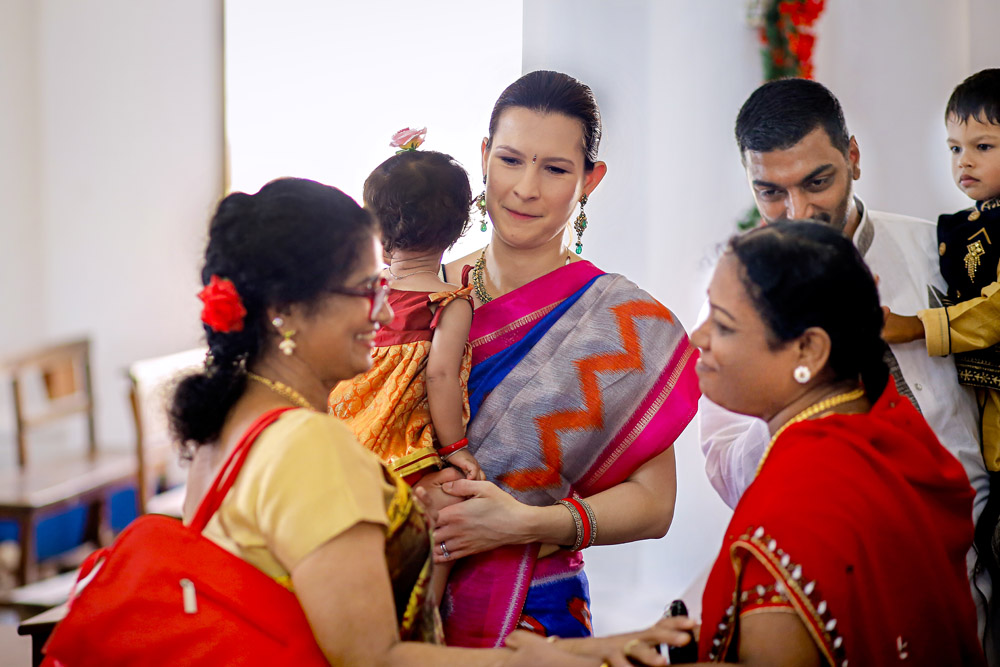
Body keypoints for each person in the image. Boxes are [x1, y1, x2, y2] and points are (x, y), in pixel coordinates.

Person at [172, 176, 689, 665]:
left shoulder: (230, 419)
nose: (382, 313)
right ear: (286, 309)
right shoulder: (308, 444)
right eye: (365, 290)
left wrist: (591, 648)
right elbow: (375, 657)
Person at [697, 78, 992, 649]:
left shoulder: (940, 252)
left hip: (974, 555)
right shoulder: (738, 292)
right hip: (839, 567)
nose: (798, 211)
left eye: (817, 182)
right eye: (770, 192)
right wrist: (804, 386)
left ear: (852, 157)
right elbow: (728, 468)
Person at [432, 70, 700, 647]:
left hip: (536, 611)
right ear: (483, 156)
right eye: (509, 160)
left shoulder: (622, 323)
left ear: (590, 180)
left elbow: (655, 507)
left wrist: (523, 522)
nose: (525, 188)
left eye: (554, 169)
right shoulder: (420, 299)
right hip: (399, 593)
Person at [882, 69, 1000, 618]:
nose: (964, 162)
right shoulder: (957, 229)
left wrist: (917, 325)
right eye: (955, 147)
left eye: (983, 146)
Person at [329, 142, 484, 484]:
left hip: (335, 428)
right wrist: (455, 447)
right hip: (392, 442)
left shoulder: (361, 285)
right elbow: (440, 377)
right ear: (457, 228)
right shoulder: (448, 302)